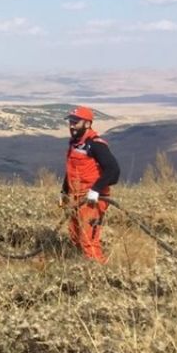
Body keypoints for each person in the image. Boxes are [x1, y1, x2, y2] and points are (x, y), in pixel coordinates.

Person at [63, 106, 120, 263]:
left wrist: (95, 190)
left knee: (89, 241)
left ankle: (99, 274)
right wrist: (64, 192)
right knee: (75, 236)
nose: (72, 125)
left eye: (76, 122)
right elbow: (70, 171)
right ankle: (80, 268)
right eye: (70, 122)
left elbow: (113, 172)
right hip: (76, 198)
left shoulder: (96, 145)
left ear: (87, 124)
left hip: (93, 200)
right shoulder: (75, 144)